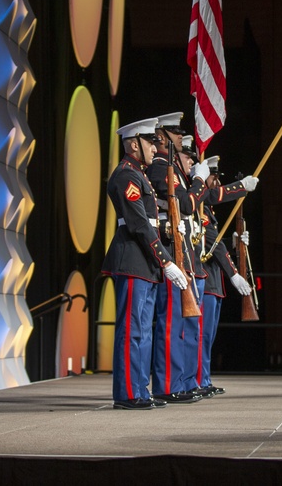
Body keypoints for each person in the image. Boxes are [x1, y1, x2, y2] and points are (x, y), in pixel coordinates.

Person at [102, 117, 189, 410]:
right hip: (134, 258)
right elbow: (139, 224)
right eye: (150, 143)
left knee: (144, 329)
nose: (155, 147)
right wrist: (165, 261)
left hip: (144, 261)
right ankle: (127, 392)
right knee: (132, 329)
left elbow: (150, 223)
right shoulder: (127, 176)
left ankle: (140, 388)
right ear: (133, 145)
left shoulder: (139, 175)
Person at [144, 112, 210, 404]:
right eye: (176, 133)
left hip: (185, 253)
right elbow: (185, 203)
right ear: (162, 137)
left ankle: (181, 382)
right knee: (172, 324)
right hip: (172, 253)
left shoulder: (172, 169)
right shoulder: (160, 168)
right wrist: (198, 182)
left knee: (184, 325)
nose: (182, 138)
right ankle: (167, 384)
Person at [195, 154, 258, 397]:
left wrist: (234, 244)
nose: (216, 183)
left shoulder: (208, 210)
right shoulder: (201, 208)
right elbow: (211, 244)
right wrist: (240, 187)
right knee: (200, 336)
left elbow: (216, 245)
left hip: (213, 280)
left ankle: (204, 378)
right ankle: (198, 380)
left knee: (207, 337)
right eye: (213, 178)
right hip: (206, 280)